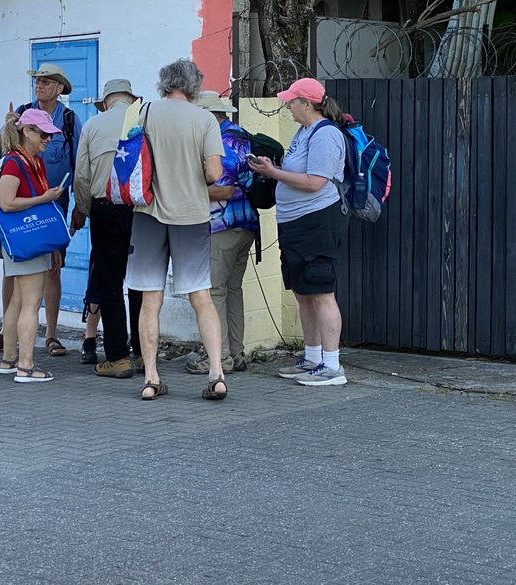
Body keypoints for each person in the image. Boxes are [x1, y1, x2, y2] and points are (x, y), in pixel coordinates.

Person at [126, 59, 227, 401]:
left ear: (164, 83)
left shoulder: (143, 113)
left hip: (148, 214)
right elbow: (214, 174)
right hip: (191, 216)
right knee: (201, 297)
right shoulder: (205, 120)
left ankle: (151, 378)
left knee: (150, 298)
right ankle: (217, 374)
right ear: (194, 85)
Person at [249, 77, 349, 386]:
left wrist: (273, 172)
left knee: (321, 291)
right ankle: (312, 357)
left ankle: (332, 366)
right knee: (303, 292)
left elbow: (315, 182)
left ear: (307, 103)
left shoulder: (326, 134)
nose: (287, 106)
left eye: (292, 101)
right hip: (296, 222)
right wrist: (274, 168)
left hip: (317, 222)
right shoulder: (304, 131)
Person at [0, 63, 81, 359]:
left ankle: (51, 335)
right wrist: (7, 127)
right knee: (11, 268)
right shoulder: (23, 114)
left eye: (47, 82)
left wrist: (80, 206)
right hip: (19, 204)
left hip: (52, 204)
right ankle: (7, 334)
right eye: (38, 80)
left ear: (59, 88)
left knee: (52, 267)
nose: (40, 85)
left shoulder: (68, 120)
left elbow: (79, 165)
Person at [71, 78, 144, 379]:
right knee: (141, 282)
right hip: (142, 212)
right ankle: (143, 352)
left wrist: (85, 208)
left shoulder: (92, 125)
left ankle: (117, 358)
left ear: (105, 103)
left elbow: (81, 176)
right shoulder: (144, 121)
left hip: (105, 209)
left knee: (110, 283)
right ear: (131, 99)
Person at [0, 108, 66, 383]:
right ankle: (26, 366)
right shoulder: (14, 161)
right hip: (25, 240)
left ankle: (9, 360)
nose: (48, 139)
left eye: (50, 134)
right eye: (43, 134)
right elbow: (6, 202)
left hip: (30, 240)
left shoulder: (34, 161)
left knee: (18, 302)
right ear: (27, 132)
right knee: (30, 305)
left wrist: (52, 246)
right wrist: (44, 198)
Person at [186, 91, 258, 377]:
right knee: (232, 290)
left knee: (214, 291)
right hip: (245, 224)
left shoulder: (223, 142)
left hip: (223, 226)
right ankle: (236, 353)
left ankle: (221, 357)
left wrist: (185, 189)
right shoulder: (240, 135)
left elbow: (224, 190)